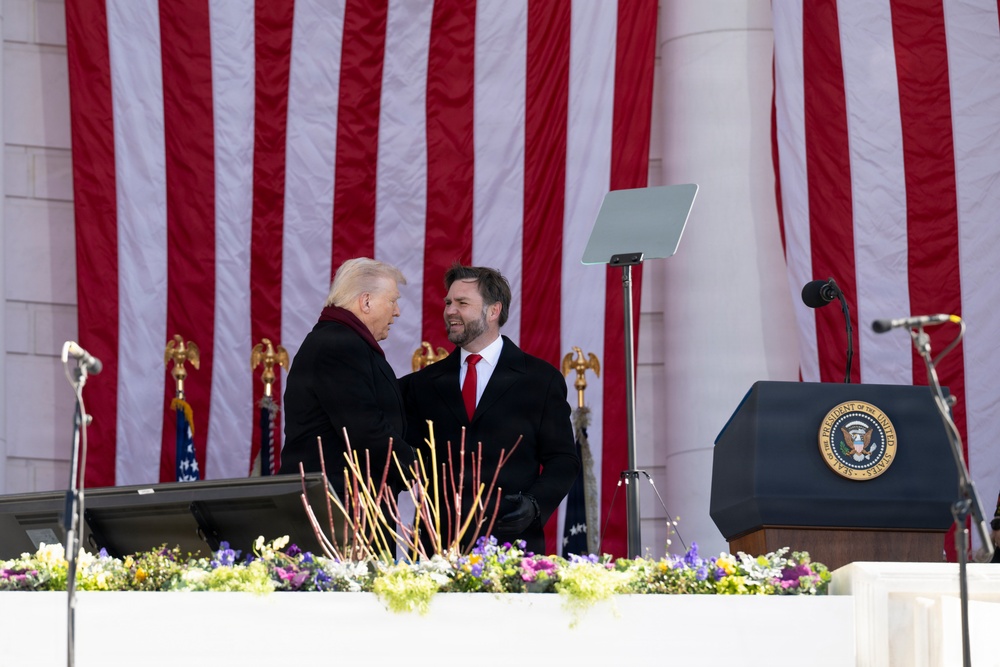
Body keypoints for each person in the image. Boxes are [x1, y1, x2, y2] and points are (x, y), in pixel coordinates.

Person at [401, 264, 579, 554]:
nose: (450, 311)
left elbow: (563, 460)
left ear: (493, 310)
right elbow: (397, 455)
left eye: (462, 303)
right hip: (436, 552)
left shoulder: (540, 380)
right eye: (448, 302)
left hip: (513, 548)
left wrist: (534, 505)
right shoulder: (421, 385)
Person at [280, 257, 415, 505]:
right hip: (338, 510)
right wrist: (418, 469)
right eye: (393, 301)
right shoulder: (338, 345)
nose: (396, 311)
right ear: (366, 301)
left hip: (343, 501)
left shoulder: (341, 341)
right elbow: (365, 428)